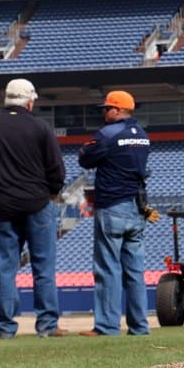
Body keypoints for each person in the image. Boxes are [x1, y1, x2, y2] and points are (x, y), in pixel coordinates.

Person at [0, 78, 66, 339]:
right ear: (30, 101)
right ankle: (46, 326)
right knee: (43, 267)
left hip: (2, 206)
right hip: (37, 204)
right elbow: (56, 169)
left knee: (5, 269)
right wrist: (52, 192)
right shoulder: (40, 127)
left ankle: (6, 328)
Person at [77, 90, 151, 336]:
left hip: (112, 206)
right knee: (135, 271)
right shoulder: (142, 135)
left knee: (108, 268)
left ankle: (107, 326)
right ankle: (139, 326)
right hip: (136, 208)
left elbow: (85, 158)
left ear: (118, 110)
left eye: (107, 108)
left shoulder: (109, 134)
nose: (103, 112)